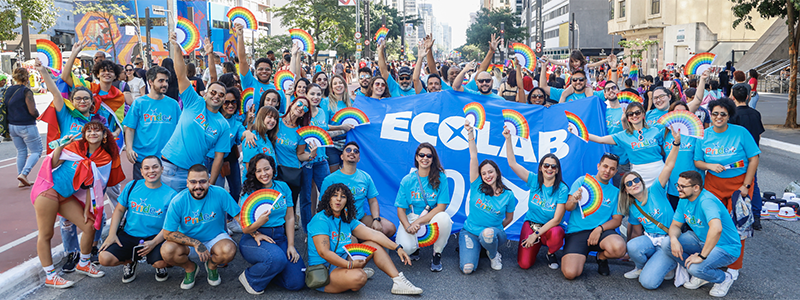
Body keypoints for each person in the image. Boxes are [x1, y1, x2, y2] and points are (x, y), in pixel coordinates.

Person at [31, 121, 124, 288]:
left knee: (89, 225)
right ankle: (51, 276)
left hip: (65, 197)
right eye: (89, 131)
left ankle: (84, 263)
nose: (92, 134)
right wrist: (61, 145)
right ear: (84, 134)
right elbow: (52, 164)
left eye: (97, 131)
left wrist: (88, 208)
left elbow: (94, 186)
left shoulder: (105, 158)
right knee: (46, 234)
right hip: (48, 191)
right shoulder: (73, 148)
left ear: (104, 136)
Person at [307, 183, 422, 294]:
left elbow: (374, 234)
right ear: (328, 199)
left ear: (347, 201)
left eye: (343, 197)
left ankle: (398, 281)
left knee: (374, 245)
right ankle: (350, 275)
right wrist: (350, 266)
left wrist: (397, 248)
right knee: (360, 277)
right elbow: (324, 252)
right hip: (325, 270)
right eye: (335, 195)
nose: (338, 199)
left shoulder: (346, 219)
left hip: (343, 261)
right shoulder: (320, 220)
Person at [695, 97, 759, 282]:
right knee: (712, 224)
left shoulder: (741, 133)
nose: (719, 117)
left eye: (723, 114)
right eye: (715, 113)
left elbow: (754, 159)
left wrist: (745, 186)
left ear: (729, 115)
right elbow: (698, 161)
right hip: (713, 184)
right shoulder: (703, 135)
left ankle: (733, 268)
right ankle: (709, 261)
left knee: (738, 226)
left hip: (739, 185)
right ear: (710, 114)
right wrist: (709, 166)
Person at [160, 35, 230, 193]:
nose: (216, 96)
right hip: (169, 169)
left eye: (221, 95)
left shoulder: (223, 125)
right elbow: (181, 75)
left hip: (195, 176)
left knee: (189, 216)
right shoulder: (194, 101)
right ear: (206, 93)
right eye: (213, 92)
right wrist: (177, 48)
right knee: (166, 214)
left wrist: (210, 184)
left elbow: (219, 157)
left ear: (224, 99)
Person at [617, 127, 681, 289]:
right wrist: (631, 253)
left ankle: (667, 263)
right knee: (632, 245)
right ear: (626, 190)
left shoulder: (656, 190)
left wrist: (676, 143)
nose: (634, 184)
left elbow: (668, 166)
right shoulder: (632, 206)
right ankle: (643, 267)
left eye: (636, 180)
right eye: (629, 183)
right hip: (651, 239)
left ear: (641, 181)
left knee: (648, 283)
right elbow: (636, 232)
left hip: (668, 240)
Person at [160, 164, 240, 290]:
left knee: (229, 250)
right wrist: (196, 243)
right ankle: (190, 268)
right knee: (167, 251)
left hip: (215, 238)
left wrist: (255, 232)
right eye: (193, 182)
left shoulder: (220, 193)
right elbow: (167, 233)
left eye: (202, 182)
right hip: (189, 242)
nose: (198, 186)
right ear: (187, 183)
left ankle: (212, 265)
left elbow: (238, 216)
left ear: (209, 182)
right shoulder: (178, 201)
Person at [98, 156, 176, 283]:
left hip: (154, 236)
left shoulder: (171, 195)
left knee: (162, 262)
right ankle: (130, 261)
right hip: (129, 234)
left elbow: (170, 226)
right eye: (147, 168)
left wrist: (154, 242)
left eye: (155, 167)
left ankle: (158, 265)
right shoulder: (132, 186)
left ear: (162, 169)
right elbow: (119, 210)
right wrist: (112, 234)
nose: (151, 171)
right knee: (104, 258)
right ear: (141, 171)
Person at [663, 171, 741, 297]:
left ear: (696, 187)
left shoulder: (706, 201)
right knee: (667, 243)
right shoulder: (684, 198)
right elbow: (675, 225)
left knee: (695, 268)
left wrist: (701, 256)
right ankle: (704, 273)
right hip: (701, 239)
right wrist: (673, 239)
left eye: (682, 186)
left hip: (726, 247)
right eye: (677, 185)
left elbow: (716, 229)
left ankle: (725, 277)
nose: (678, 189)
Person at [237, 154, 305, 294]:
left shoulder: (283, 187)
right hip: (254, 237)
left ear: (273, 169)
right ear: (254, 173)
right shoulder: (249, 192)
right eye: (258, 171)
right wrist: (257, 228)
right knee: (277, 259)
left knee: (297, 282)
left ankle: (272, 271)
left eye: (266, 169)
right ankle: (250, 278)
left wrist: (291, 245)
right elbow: (245, 228)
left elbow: (290, 218)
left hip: (280, 237)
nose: (263, 174)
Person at [504, 130, 567, 270]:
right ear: (540, 168)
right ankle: (536, 245)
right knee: (524, 264)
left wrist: (535, 235)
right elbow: (512, 164)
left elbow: (557, 219)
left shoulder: (562, 189)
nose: (549, 168)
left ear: (557, 170)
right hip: (532, 225)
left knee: (557, 234)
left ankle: (551, 253)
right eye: (546, 165)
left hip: (550, 228)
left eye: (553, 166)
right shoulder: (534, 180)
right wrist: (508, 139)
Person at [460, 121, 517, 274]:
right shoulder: (476, 185)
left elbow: (509, 218)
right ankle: (480, 246)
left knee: (488, 234)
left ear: (497, 172)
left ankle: (493, 254)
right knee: (467, 269)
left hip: (494, 233)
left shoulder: (508, 195)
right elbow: (473, 156)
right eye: (484, 173)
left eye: (490, 172)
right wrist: (470, 133)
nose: (487, 176)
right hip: (470, 231)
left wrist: (494, 230)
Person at [561, 153, 626, 279]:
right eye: (605, 166)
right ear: (598, 166)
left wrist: (599, 229)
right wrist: (574, 200)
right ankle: (580, 255)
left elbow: (617, 221)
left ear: (616, 171)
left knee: (619, 248)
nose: (608, 171)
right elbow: (568, 207)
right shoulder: (582, 181)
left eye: (612, 169)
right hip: (577, 232)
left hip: (601, 233)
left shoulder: (616, 193)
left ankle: (601, 257)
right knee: (570, 273)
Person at [394, 143, 453, 272]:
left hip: (431, 217)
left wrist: (418, 222)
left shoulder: (441, 177)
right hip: (412, 216)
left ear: (433, 159)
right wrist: (408, 226)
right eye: (421, 155)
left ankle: (437, 254)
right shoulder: (407, 180)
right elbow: (400, 209)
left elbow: (441, 207)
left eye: (429, 156)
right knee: (405, 248)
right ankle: (415, 248)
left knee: (444, 218)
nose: (425, 158)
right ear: (416, 157)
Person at [320, 142, 396, 237]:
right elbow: (322, 206)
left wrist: (376, 219)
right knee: (352, 241)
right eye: (348, 150)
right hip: (339, 220)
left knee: (389, 228)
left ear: (359, 158)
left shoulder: (365, 177)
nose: (352, 152)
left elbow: (372, 201)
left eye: (356, 151)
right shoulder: (330, 179)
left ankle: (364, 239)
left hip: (360, 219)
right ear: (342, 156)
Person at [123, 66, 180, 180]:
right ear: (150, 81)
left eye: (166, 81)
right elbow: (130, 128)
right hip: (143, 159)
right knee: (142, 193)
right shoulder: (139, 103)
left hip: (166, 160)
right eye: (161, 81)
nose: (164, 84)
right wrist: (129, 148)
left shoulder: (173, 104)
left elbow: (179, 130)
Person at [275, 96, 317, 228]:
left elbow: (300, 155)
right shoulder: (277, 120)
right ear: (292, 103)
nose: (301, 108)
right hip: (275, 172)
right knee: (274, 206)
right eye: (299, 103)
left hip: (292, 174)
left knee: (289, 207)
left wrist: (311, 155)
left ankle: (287, 239)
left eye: (305, 108)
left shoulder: (300, 131)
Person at [729, 85, 765, 230]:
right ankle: (756, 216)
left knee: (734, 184)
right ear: (748, 96)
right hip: (753, 154)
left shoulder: (732, 115)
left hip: (737, 156)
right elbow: (759, 134)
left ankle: (737, 214)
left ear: (733, 97)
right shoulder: (755, 113)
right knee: (752, 184)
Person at [204, 87, 246, 203]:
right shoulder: (211, 116)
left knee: (236, 189)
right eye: (227, 102)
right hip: (206, 159)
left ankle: (229, 217)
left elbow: (242, 134)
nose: (230, 105)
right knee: (210, 190)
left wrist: (248, 132)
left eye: (233, 102)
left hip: (226, 159)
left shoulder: (237, 123)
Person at [663, 102, 703, 209]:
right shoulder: (664, 134)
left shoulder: (695, 134)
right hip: (673, 186)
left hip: (692, 185)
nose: (680, 115)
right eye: (676, 112)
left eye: (683, 112)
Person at [5, 67, 41, 187]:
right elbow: (32, 110)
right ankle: (24, 174)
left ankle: (21, 179)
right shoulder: (26, 91)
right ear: (26, 77)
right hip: (26, 125)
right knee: (37, 150)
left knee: (21, 151)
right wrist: (37, 114)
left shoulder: (8, 90)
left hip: (12, 125)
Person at [235, 24, 275, 113]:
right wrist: (240, 36)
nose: (264, 71)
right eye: (260, 69)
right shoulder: (249, 83)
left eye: (267, 69)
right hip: (252, 125)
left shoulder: (277, 89)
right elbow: (242, 61)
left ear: (271, 71)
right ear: (255, 71)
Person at [323, 74, 353, 172]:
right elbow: (323, 125)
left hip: (348, 142)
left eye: (340, 83)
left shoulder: (350, 102)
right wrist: (341, 127)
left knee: (347, 172)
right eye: (335, 83)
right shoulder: (326, 102)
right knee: (334, 173)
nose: (338, 85)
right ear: (331, 88)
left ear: (344, 86)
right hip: (332, 143)